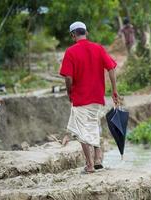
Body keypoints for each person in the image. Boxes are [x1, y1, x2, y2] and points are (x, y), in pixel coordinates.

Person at [60, 21, 119, 173]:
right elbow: (111, 68)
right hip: (97, 96)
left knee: (81, 131)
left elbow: (68, 77)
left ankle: (90, 165)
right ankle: (98, 157)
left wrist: (69, 92)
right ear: (86, 33)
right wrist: (114, 90)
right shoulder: (98, 48)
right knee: (93, 125)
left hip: (80, 97)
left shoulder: (70, 52)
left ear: (73, 35)